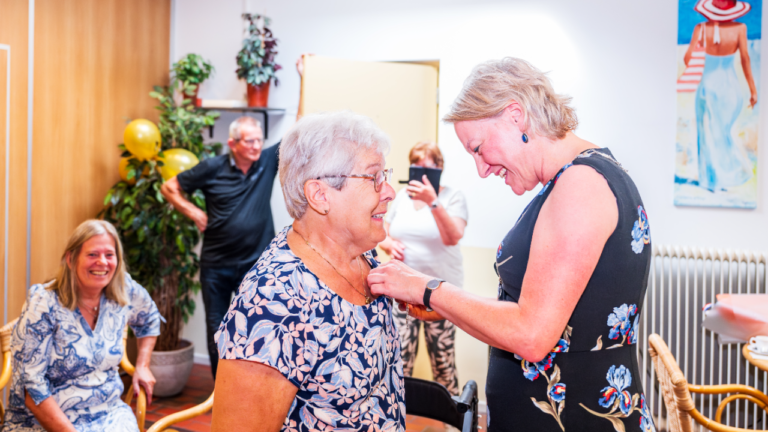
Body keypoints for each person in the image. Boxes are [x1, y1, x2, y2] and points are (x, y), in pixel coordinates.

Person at [368, 58, 656, 432]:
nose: (481, 169)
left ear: (515, 116)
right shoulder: (582, 177)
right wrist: (446, 305)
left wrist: (427, 288)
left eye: (478, 147)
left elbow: (531, 335)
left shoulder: (580, 186)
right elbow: (539, 314)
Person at [211, 111, 405, 432]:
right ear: (319, 195)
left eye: (384, 175)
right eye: (374, 178)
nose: (389, 191)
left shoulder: (361, 254)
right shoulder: (272, 304)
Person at [3, 220, 163, 432]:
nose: (102, 262)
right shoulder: (44, 302)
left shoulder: (124, 290)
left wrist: (142, 365)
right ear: (71, 259)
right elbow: (31, 389)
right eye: (92, 254)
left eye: (109, 254)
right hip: (46, 421)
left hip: (108, 413)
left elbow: (150, 317)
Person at [160, 116, 279, 378]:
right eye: (250, 141)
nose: (256, 146)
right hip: (216, 266)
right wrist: (194, 212)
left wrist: (303, 76)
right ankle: (221, 392)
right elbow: (169, 187)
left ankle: (255, 391)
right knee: (217, 329)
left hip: (256, 266)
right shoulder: (212, 167)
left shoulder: (268, 162)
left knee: (262, 327)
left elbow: (299, 132)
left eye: (259, 140)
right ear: (232, 143)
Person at [378, 141, 467, 395]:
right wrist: (387, 243)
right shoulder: (402, 198)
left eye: (427, 166)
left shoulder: (453, 197)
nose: (420, 171)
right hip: (403, 294)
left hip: (442, 294)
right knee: (399, 360)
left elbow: (453, 236)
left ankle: (454, 422)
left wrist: (433, 202)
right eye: (415, 165)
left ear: (439, 168)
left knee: (443, 363)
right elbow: (383, 227)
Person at [683, 0, 756, 191]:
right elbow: (745, 60)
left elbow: (687, 58)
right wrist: (753, 90)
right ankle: (728, 176)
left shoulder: (701, 28)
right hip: (730, 87)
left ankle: (711, 180)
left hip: (708, 85)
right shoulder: (740, 28)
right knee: (722, 133)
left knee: (707, 132)